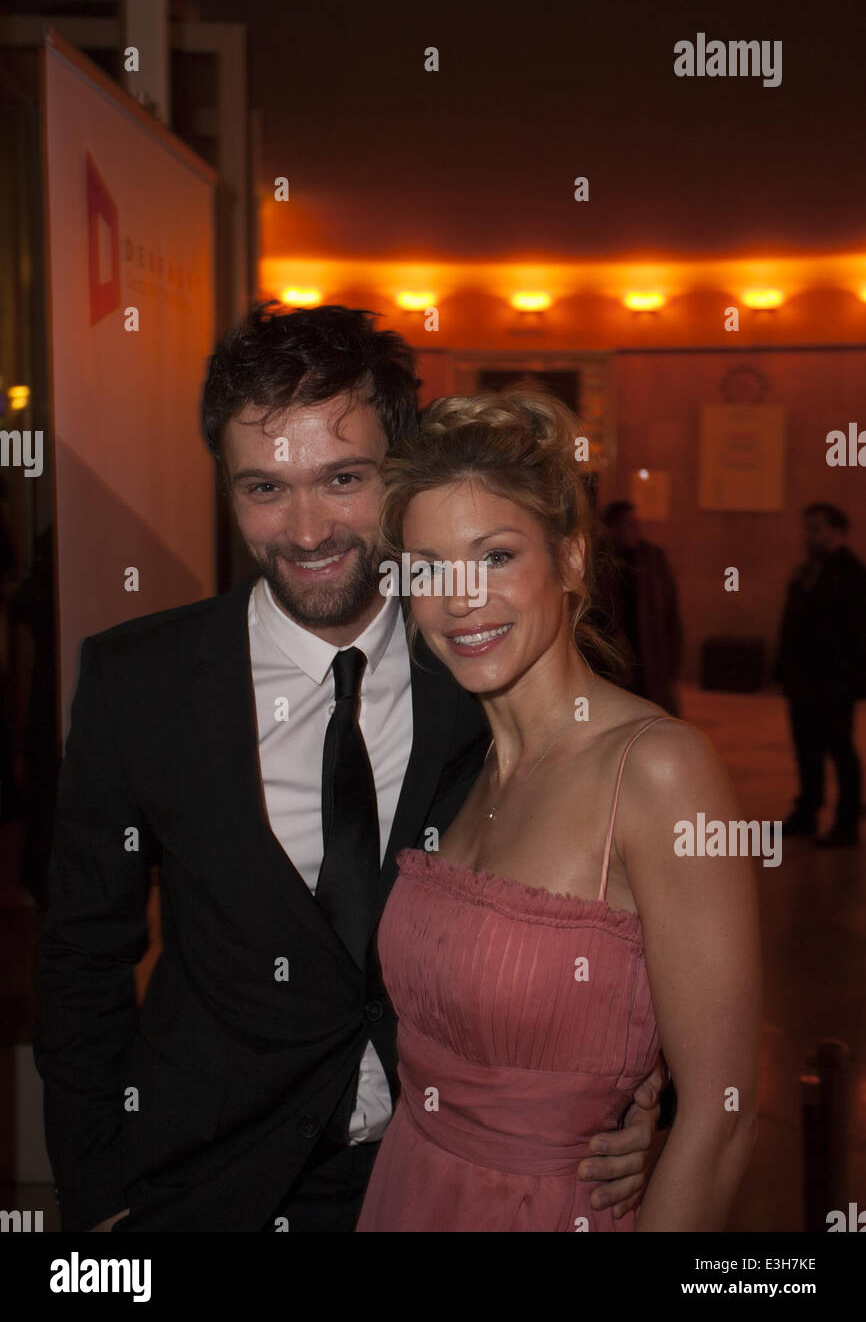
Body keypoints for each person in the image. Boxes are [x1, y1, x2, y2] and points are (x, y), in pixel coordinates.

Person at [34, 305, 664, 1233]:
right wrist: (97, 1199)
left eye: (342, 479)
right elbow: (83, 958)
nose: (306, 528)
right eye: (264, 488)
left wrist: (642, 1093)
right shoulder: (141, 684)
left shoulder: (484, 666)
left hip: (434, 1174)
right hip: (203, 1183)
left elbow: (622, 907)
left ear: (399, 474)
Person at [356, 389, 760, 1232]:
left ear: (571, 559)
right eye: (427, 568)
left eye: (496, 555)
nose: (459, 600)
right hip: (411, 1190)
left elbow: (721, 1118)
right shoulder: (462, 767)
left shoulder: (657, 772)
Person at [776, 502, 866, 848]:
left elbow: (854, 634)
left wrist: (845, 679)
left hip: (833, 681)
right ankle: (807, 812)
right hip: (804, 678)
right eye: (807, 527)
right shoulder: (807, 571)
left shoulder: (853, 574)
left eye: (816, 528)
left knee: (839, 749)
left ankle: (846, 822)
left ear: (837, 531)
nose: (808, 535)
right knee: (806, 747)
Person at [599, 500, 683, 716]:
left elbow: (670, 610)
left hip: (650, 654)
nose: (634, 529)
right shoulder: (600, 561)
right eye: (627, 524)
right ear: (612, 528)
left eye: (636, 523)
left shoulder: (653, 558)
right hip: (617, 657)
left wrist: (673, 657)